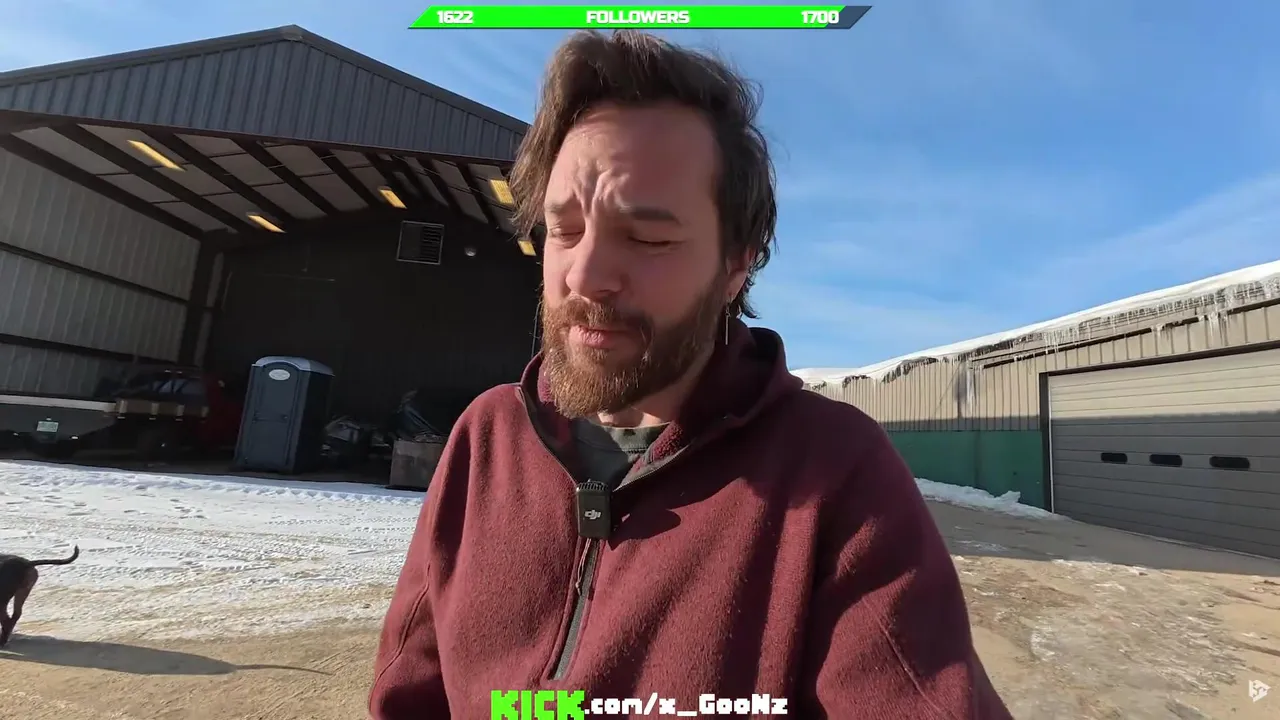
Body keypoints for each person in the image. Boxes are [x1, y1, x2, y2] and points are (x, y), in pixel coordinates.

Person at [370, 30, 1012, 719]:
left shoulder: (834, 473)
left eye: (648, 238)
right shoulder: (486, 440)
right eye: (565, 230)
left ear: (736, 264)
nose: (585, 274)